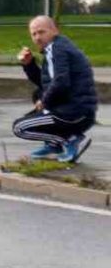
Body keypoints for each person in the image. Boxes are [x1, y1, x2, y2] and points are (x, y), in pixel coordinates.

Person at [13, 15, 97, 163]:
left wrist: (44, 102)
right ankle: (53, 145)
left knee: (20, 128)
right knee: (38, 94)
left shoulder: (56, 49)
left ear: (54, 30)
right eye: (34, 34)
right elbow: (46, 83)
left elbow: (60, 83)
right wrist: (29, 64)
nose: (38, 38)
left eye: (41, 32)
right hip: (82, 112)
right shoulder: (59, 46)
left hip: (73, 113)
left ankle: (69, 140)